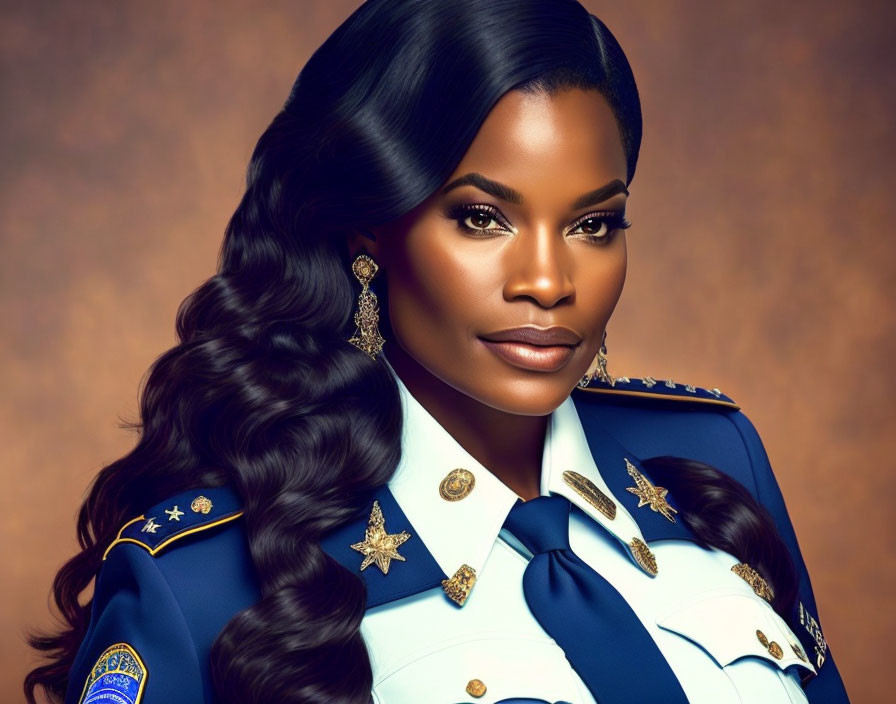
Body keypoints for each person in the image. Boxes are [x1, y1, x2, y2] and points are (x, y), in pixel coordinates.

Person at [25, 1, 850, 703]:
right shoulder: (199, 584)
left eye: (592, 224)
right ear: (370, 230)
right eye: (482, 218)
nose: (549, 280)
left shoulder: (712, 461)